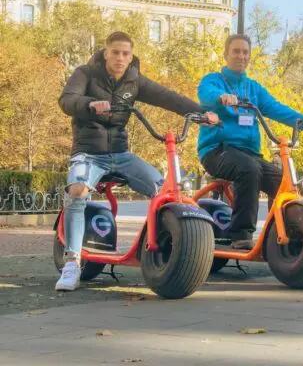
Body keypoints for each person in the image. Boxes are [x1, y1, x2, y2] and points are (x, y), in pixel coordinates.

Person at [56, 31, 219, 291]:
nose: (120, 58)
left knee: (166, 191)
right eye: (116, 52)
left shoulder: (134, 80)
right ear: (106, 52)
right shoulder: (85, 73)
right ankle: (72, 263)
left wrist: (203, 113)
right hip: (88, 152)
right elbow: (67, 100)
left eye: (126, 54)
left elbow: (168, 97)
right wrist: (89, 104)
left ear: (131, 56)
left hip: (121, 155)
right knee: (77, 192)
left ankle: (165, 251)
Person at [197, 34, 303, 250]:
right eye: (236, 51)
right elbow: (206, 94)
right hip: (217, 151)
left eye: (245, 52)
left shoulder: (253, 88)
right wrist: (222, 97)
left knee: (285, 180)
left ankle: (289, 232)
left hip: (249, 154)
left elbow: (276, 108)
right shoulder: (213, 80)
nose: (241, 56)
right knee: (249, 169)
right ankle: (241, 234)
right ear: (226, 54)